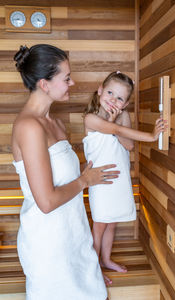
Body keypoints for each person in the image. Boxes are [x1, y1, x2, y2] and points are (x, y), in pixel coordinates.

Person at [12, 44, 120, 300]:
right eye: (66, 78)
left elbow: (63, 178)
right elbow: (46, 202)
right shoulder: (29, 127)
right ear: (44, 84)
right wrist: (85, 180)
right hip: (49, 247)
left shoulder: (55, 123)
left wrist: (90, 269)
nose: (73, 82)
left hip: (75, 237)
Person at [83, 71, 165, 285]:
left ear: (126, 102)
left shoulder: (124, 116)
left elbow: (128, 145)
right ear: (100, 91)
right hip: (100, 181)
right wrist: (151, 136)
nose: (113, 99)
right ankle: (93, 269)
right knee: (99, 225)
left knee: (112, 223)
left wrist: (115, 120)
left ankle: (106, 259)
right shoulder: (90, 118)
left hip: (118, 181)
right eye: (109, 92)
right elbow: (113, 129)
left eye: (119, 97)